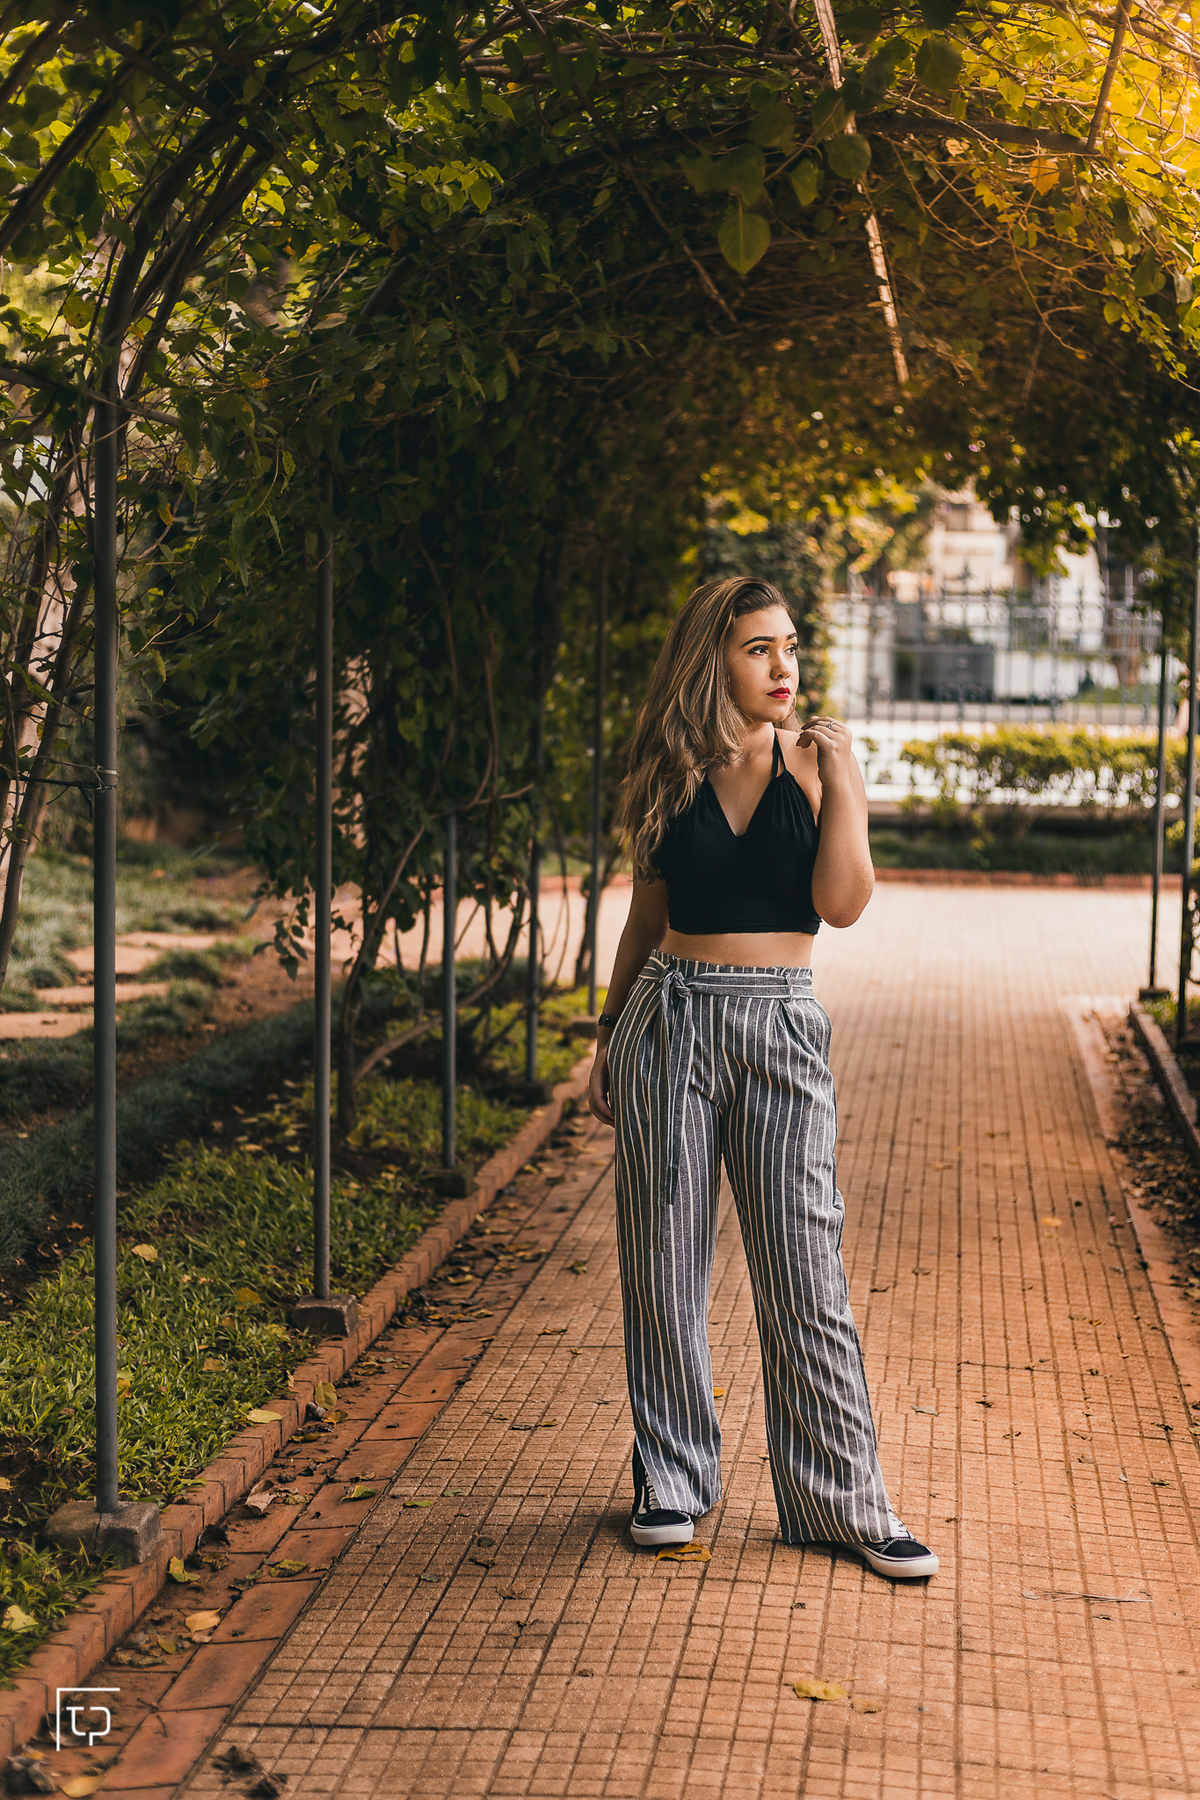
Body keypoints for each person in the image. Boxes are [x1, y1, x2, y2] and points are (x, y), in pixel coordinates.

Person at [588, 576, 937, 1581]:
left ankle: (844, 1501)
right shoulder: (670, 767)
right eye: (758, 650)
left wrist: (851, 785)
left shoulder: (818, 762)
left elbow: (844, 902)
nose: (784, 667)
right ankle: (672, 1479)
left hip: (782, 1019)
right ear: (714, 658)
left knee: (805, 1265)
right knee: (660, 1261)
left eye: (789, 646)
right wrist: (610, 1033)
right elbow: (648, 922)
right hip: (672, 1016)